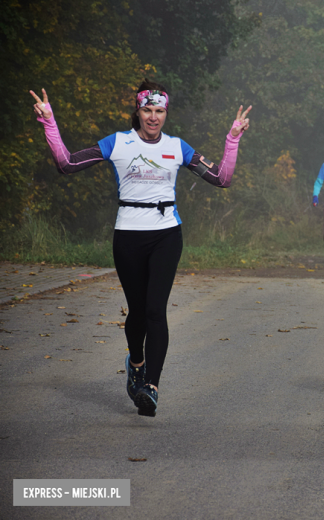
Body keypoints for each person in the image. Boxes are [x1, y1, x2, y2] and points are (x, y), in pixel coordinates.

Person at [30, 81, 251, 416]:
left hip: (166, 234)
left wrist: (232, 139)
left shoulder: (178, 148)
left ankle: (151, 387)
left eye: (159, 110)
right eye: (147, 110)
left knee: (154, 310)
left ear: (166, 112)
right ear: (137, 111)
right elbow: (67, 164)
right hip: (128, 235)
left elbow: (222, 178)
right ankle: (136, 361)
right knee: (137, 313)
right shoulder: (118, 142)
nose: (153, 117)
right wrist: (49, 122)